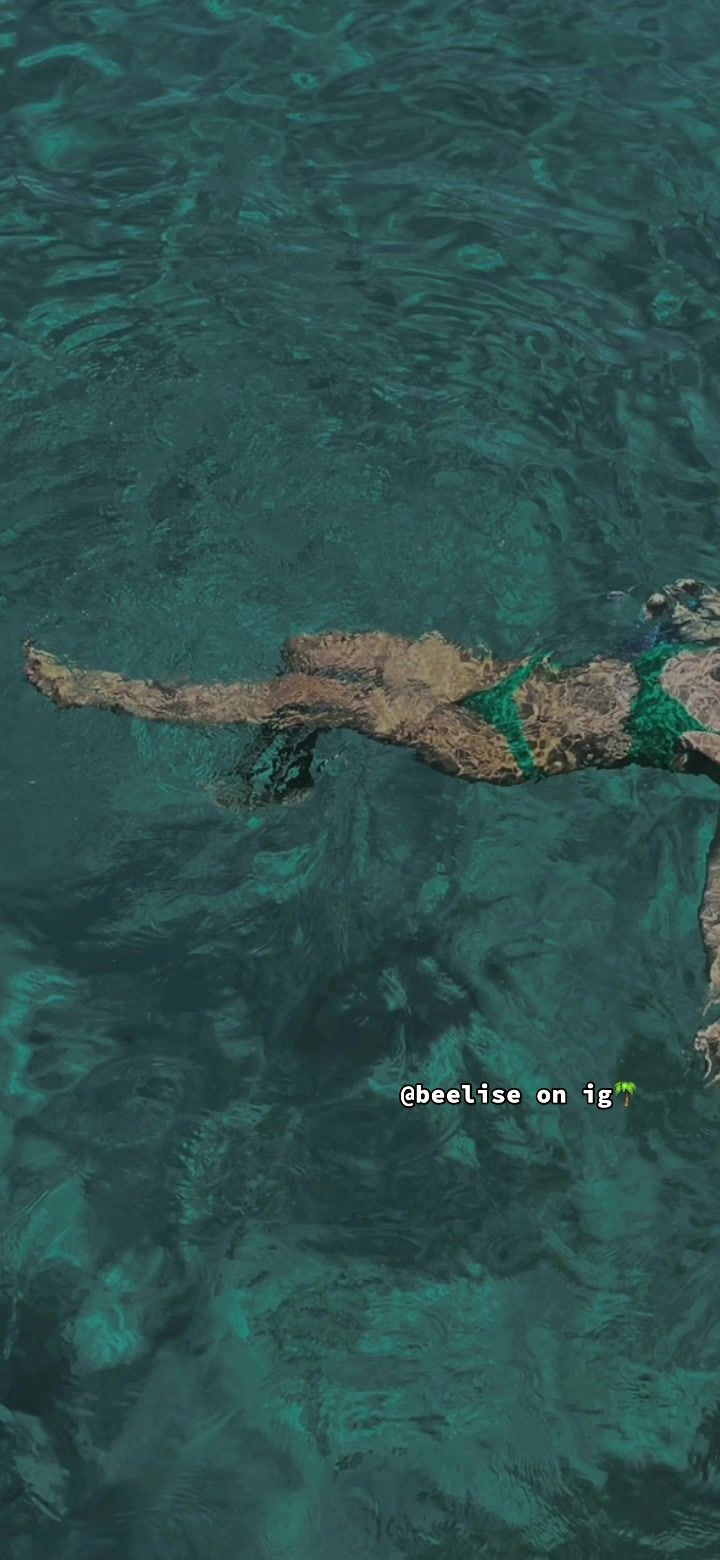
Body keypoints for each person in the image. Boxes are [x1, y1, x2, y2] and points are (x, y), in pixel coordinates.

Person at [24, 577, 720, 1082]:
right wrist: (672, 618)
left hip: (510, 746)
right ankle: (281, 776)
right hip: (510, 681)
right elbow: (666, 628)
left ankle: (99, 692)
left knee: (307, 694)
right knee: (310, 652)